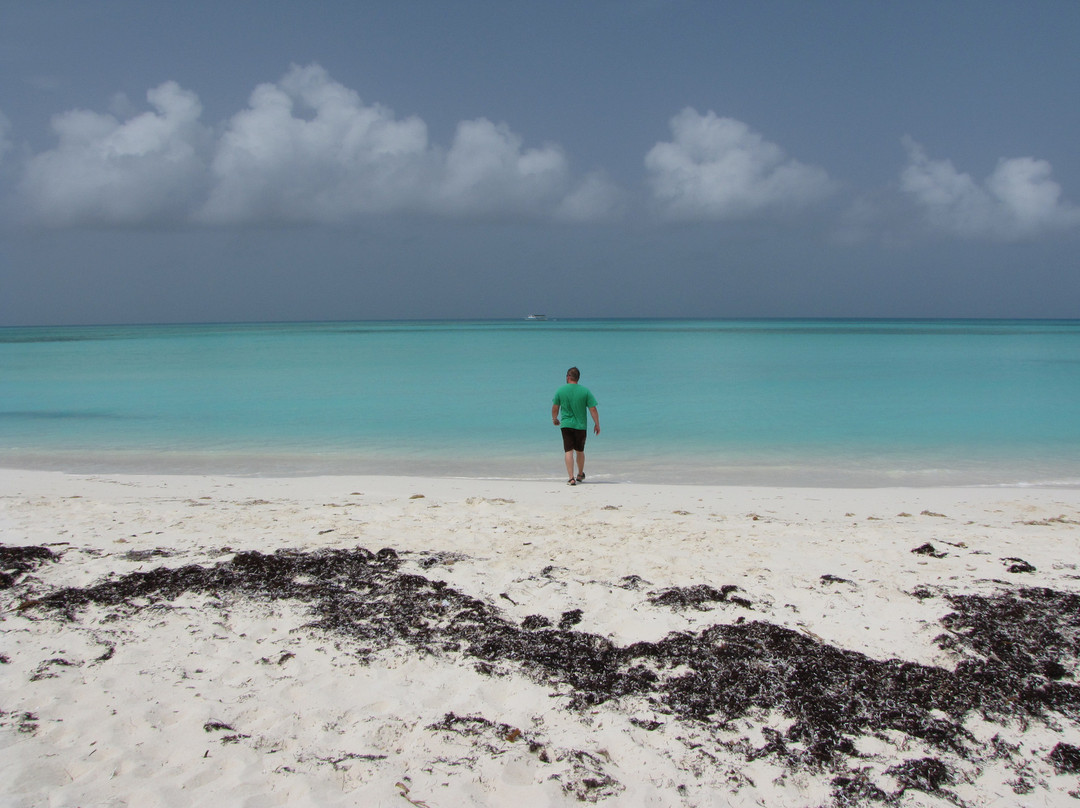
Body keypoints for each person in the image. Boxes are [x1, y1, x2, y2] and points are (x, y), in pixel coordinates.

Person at [551, 366, 599, 486]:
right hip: (580, 426)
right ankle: (580, 474)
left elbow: (555, 407)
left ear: (568, 377)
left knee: (568, 451)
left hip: (566, 425)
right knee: (580, 451)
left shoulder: (560, 390)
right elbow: (593, 409)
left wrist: (555, 418)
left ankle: (571, 478)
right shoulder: (585, 391)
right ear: (577, 378)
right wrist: (597, 424)